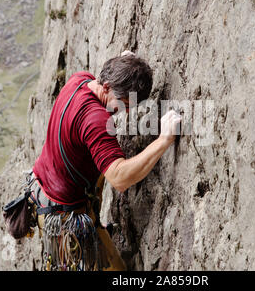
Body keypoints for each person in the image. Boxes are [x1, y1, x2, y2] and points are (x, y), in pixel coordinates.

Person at [29, 50, 181, 271]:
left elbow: (108, 80)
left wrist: (125, 63)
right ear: (107, 87)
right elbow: (119, 178)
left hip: (45, 192)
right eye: (125, 104)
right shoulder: (94, 120)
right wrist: (164, 140)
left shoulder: (81, 79)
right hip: (64, 218)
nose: (126, 111)